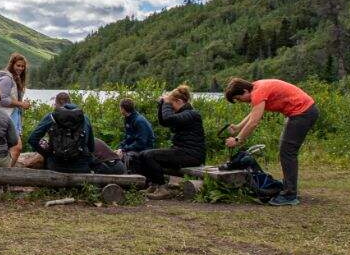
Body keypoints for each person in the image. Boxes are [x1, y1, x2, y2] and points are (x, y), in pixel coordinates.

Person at [223, 77, 318, 206]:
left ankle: (289, 194)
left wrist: (237, 140)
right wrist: (238, 127)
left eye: (239, 99)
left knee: (287, 153)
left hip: (302, 113)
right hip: (302, 112)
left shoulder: (258, 92)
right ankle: (288, 188)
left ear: (245, 91)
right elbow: (254, 113)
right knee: (286, 152)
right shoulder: (256, 88)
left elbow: (254, 122)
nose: (241, 102)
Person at [134, 85, 205, 198]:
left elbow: (168, 119)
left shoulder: (192, 114)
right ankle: (154, 185)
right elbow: (163, 122)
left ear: (179, 101)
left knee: (149, 156)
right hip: (182, 152)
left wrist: (167, 103)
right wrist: (162, 105)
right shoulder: (183, 114)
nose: (171, 108)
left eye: (172, 105)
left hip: (192, 155)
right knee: (142, 155)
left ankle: (163, 189)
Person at [27, 92, 97, 173]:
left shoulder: (51, 117)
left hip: (55, 166)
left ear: (56, 104)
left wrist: (47, 155)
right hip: (81, 167)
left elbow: (32, 139)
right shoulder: (84, 118)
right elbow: (91, 147)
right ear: (70, 102)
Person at [0, 52, 31, 136]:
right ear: (12, 65)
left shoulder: (16, 79)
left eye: (23, 66)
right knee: (15, 143)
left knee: (16, 142)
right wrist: (21, 104)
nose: (21, 68)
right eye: (18, 65)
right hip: (6, 115)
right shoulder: (6, 79)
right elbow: (1, 100)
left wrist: (22, 104)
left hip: (13, 114)